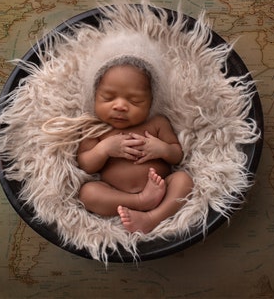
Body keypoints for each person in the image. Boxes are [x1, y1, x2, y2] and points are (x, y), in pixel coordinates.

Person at [77, 56, 194, 234]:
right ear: (94, 97)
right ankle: (140, 201)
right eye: (108, 98)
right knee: (87, 193)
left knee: (183, 181)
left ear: (151, 102)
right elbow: (86, 165)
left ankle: (152, 218)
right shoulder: (94, 128)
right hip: (116, 194)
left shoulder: (157, 123)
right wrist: (104, 149)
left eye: (135, 101)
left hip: (162, 189)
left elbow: (177, 155)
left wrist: (162, 149)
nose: (120, 106)